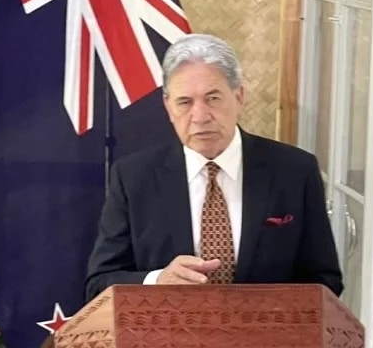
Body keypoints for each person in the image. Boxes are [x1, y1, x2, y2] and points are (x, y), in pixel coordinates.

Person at [84, 33, 342, 300]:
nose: (200, 116)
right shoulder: (133, 178)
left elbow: (326, 281)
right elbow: (99, 284)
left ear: (239, 97)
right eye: (185, 102)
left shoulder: (296, 171)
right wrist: (157, 281)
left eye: (213, 98)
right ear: (168, 108)